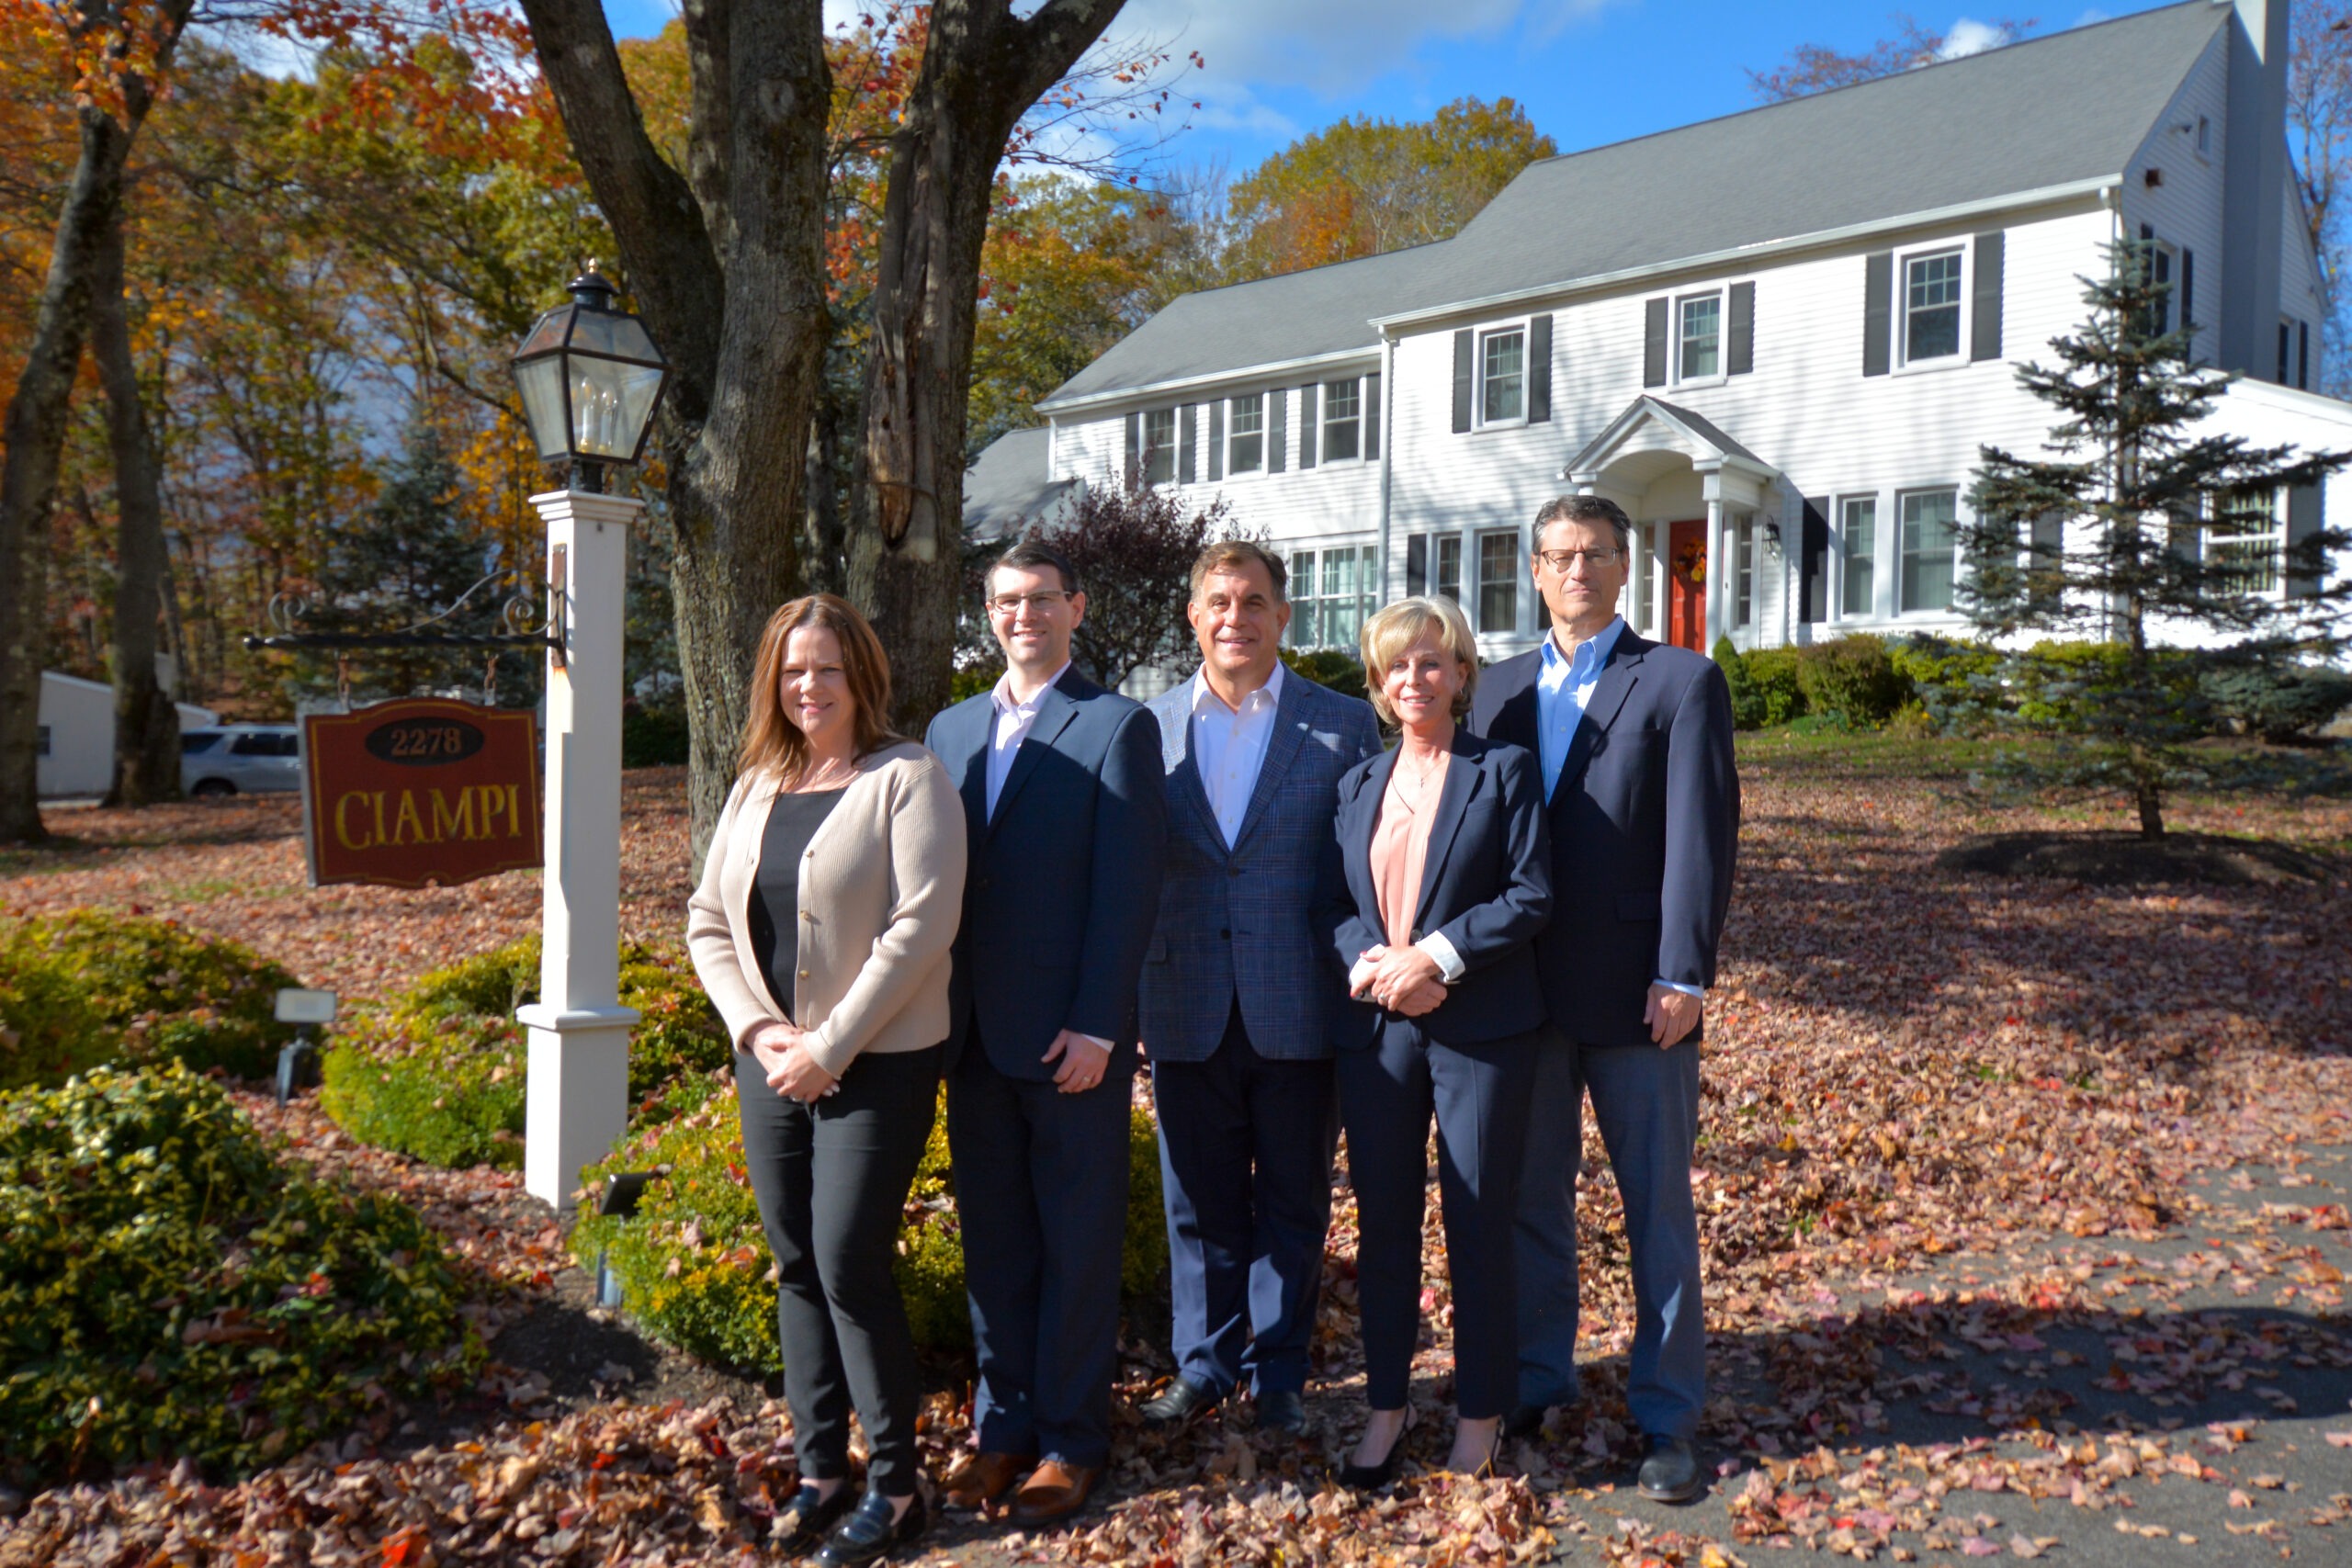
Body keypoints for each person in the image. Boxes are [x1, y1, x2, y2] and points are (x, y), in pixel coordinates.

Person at [685, 593, 967, 1566]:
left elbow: (921, 928)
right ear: (774, 680)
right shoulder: (754, 783)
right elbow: (707, 923)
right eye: (794, 670)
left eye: (828, 669)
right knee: (795, 1263)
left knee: (847, 1257)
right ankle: (820, 1471)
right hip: (768, 1060)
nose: (810, 686)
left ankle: (896, 1486)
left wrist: (828, 1046)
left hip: (878, 1061)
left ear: (862, 678)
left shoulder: (908, 778)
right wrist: (760, 1030)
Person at [1468, 493, 1739, 1505]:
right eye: (1557, 554)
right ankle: (1542, 1376)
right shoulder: (1491, 689)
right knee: (1533, 1204)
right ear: (1533, 570)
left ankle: (1667, 1417)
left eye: (1594, 553)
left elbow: (1699, 839)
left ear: (1625, 568)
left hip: (1637, 998)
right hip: (1520, 998)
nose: (1575, 569)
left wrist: (1684, 971)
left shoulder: (1677, 681)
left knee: (1655, 1212)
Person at [922, 538, 1169, 1523]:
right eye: (1001, 601)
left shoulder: (1116, 726)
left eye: (1038, 599)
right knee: (995, 1245)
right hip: (967, 1036)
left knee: (1074, 1243)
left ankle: (1070, 1439)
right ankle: (1002, 1428)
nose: (1019, 615)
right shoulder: (947, 731)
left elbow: (1127, 889)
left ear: (1076, 606)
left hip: (1071, 1041)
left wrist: (1100, 1026)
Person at [1135, 540, 1382, 1438]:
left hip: (1301, 1000)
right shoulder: (1145, 727)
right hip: (1183, 999)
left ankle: (1279, 1373)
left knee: (1292, 1199)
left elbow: (1367, 867)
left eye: (1252, 602)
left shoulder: (1344, 725)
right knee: (1194, 1201)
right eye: (1216, 602)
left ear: (1283, 616)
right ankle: (1202, 1364)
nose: (1233, 618)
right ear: (1194, 617)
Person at [1322, 594, 1552, 1484]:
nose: (1412, 679)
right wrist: (1371, 963)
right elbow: (1333, 904)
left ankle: (1479, 1412)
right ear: (1377, 688)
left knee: (1476, 1226)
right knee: (1385, 1229)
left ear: (1460, 674)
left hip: (1481, 1033)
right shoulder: (1355, 786)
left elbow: (1530, 894)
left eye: (1431, 661)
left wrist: (1435, 960)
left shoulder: (1505, 772)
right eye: (1395, 667)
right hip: (1377, 1034)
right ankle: (1386, 1406)